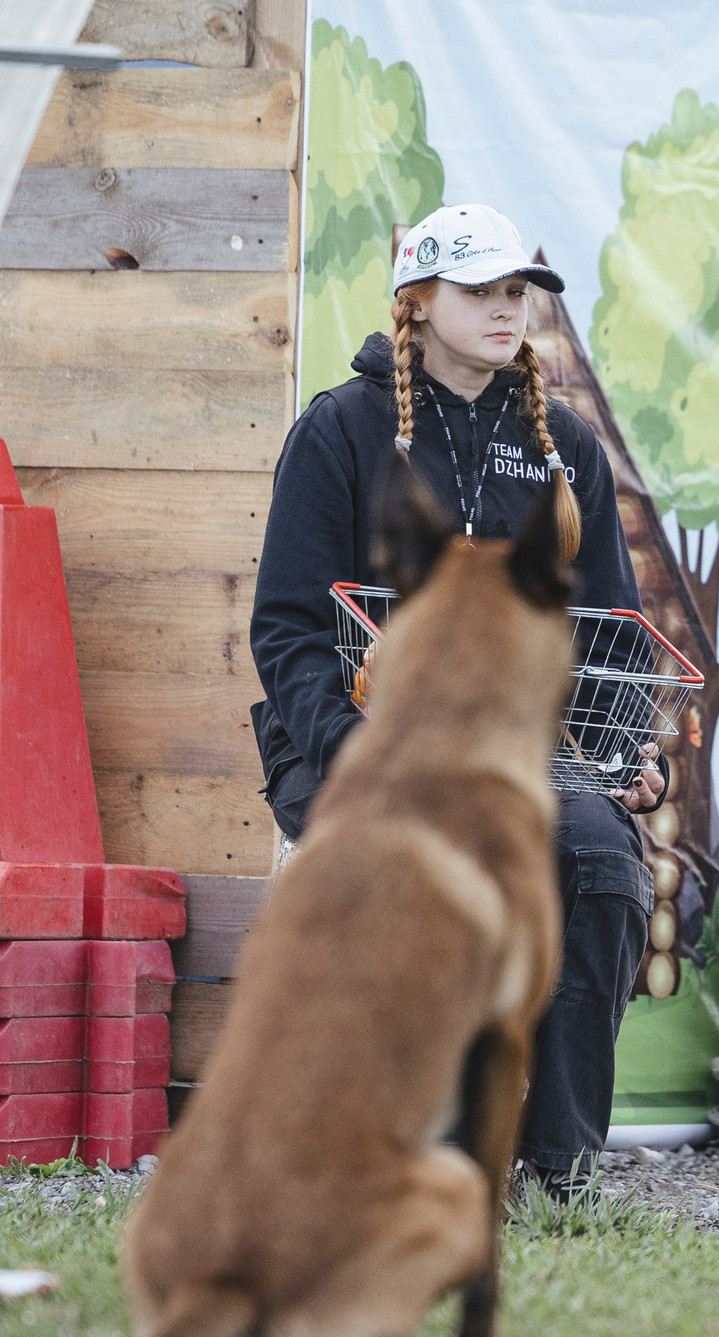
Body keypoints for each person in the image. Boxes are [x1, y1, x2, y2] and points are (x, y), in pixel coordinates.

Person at [249, 202, 664, 1196]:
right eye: (480, 289)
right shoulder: (339, 433)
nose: (504, 309)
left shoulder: (564, 450)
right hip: (350, 745)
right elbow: (288, 634)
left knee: (600, 861)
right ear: (418, 300)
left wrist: (622, 751)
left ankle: (559, 1164)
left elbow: (611, 639)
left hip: (516, 755)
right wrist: (354, 751)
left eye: (516, 291)